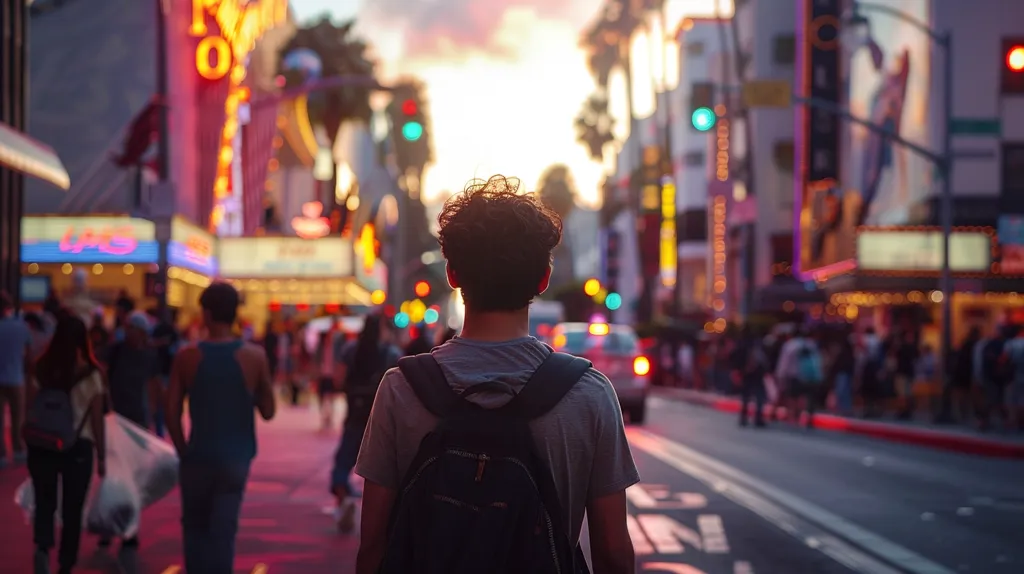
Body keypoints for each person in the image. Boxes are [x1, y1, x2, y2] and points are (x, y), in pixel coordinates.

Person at [354, 176, 639, 574]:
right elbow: (612, 552)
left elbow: (372, 547)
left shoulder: (400, 389)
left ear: (452, 275)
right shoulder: (589, 394)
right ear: (543, 279)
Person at [166, 282, 276, 573]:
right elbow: (269, 411)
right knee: (223, 532)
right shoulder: (254, 357)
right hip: (236, 458)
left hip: (198, 455)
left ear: (206, 314)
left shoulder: (187, 357)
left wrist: (182, 450)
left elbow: (171, 410)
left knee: (195, 530)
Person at [27, 312, 107, 574]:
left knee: (44, 500)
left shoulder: (42, 366)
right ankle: (65, 563)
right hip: (78, 446)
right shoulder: (92, 373)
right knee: (73, 508)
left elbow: (31, 406)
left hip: (43, 443)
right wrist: (103, 457)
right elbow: (97, 418)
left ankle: (42, 547)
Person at [330, 313, 401, 532]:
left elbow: (338, 380)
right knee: (382, 467)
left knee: (344, 458)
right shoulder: (391, 353)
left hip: (355, 411)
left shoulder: (351, 349)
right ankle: (380, 517)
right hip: (380, 417)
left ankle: (343, 500)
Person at [0, 291, 32, 468]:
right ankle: (19, 450)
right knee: (18, 417)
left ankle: (1, 454)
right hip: (16, 377)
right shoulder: (21, 327)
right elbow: (29, 355)